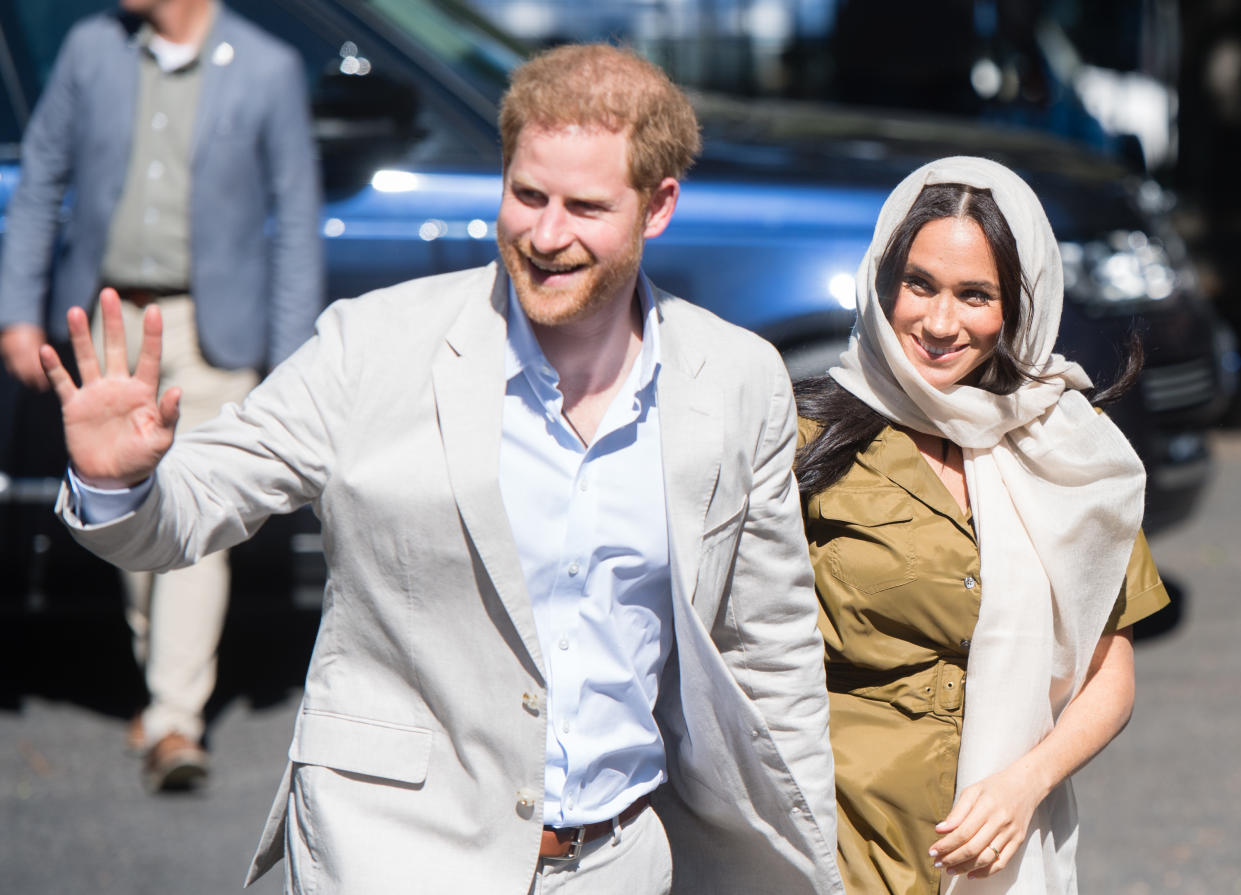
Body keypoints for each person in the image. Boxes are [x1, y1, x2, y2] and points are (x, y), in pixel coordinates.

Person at [39, 44, 844, 894]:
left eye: (584, 206)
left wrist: (806, 867)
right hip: (390, 854)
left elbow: (769, 652)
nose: (544, 233)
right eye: (526, 194)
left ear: (658, 207)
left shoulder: (737, 378)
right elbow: (197, 506)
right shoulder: (373, 343)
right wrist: (120, 483)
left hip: (621, 861)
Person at [795, 156, 1168, 893]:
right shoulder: (804, 439)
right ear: (882, 281)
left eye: (974, 295)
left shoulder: (1069, 449)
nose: (938, 322)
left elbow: (1109, 675)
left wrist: (1022, 784)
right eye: (919, 284)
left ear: (1017, 307)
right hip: (832, 845)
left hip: (1002, 847)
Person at [0, 0, 322, 791]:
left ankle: (176, 718)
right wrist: (15, 311)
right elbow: (40, 180)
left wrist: (288, 361)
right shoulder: (90, 51)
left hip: (214, 331)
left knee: (196, 511)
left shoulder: (267, 67)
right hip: (111, 319)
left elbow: (298, 216)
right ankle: (163, 683)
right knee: (126, 513)